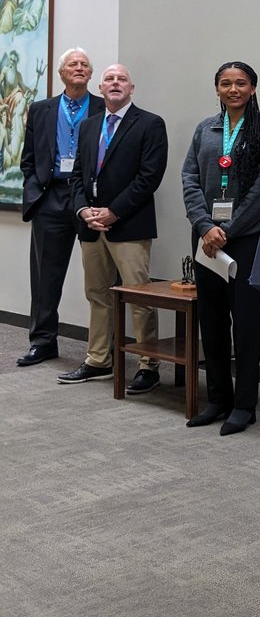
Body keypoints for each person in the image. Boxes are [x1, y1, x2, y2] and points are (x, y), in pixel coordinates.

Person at [181, 61, 260, 435]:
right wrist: (205, 226)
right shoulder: (205, 129)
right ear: (217, 90)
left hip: (247, 238)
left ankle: (244, 405)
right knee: (213, 320)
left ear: (253, 88)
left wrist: (228, 228)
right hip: (206, 240)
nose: (233, 89)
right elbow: (189, 178)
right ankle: (218, 398)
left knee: (247, 323)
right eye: (226, 83)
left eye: (241, 83)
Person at [58, 64, 168, 390]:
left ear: (131, 88)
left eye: (122, 79)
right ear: (101, 87)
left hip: (129, 225)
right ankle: (98, 360)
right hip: (91, 226)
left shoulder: (150, 124)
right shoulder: (91, 125)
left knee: (139, 296)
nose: (115, 83)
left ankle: (149, 365)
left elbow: (149, 177)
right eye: (109, 79)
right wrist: (82, 211)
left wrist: (114, 212)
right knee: (97, 294)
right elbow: (77, 175)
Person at [17, 48, 104, 367]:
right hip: (50, 196)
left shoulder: (102, 106)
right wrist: (33, 188)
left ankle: (101, 350)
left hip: (90, 199)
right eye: (73, 64)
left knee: (99, 275)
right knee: (45, 276)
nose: (79, 68)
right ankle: (42, 342)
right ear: (61, 73)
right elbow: (29, 158)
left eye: (84, 65)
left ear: (91, 74)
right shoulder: (40, 109)